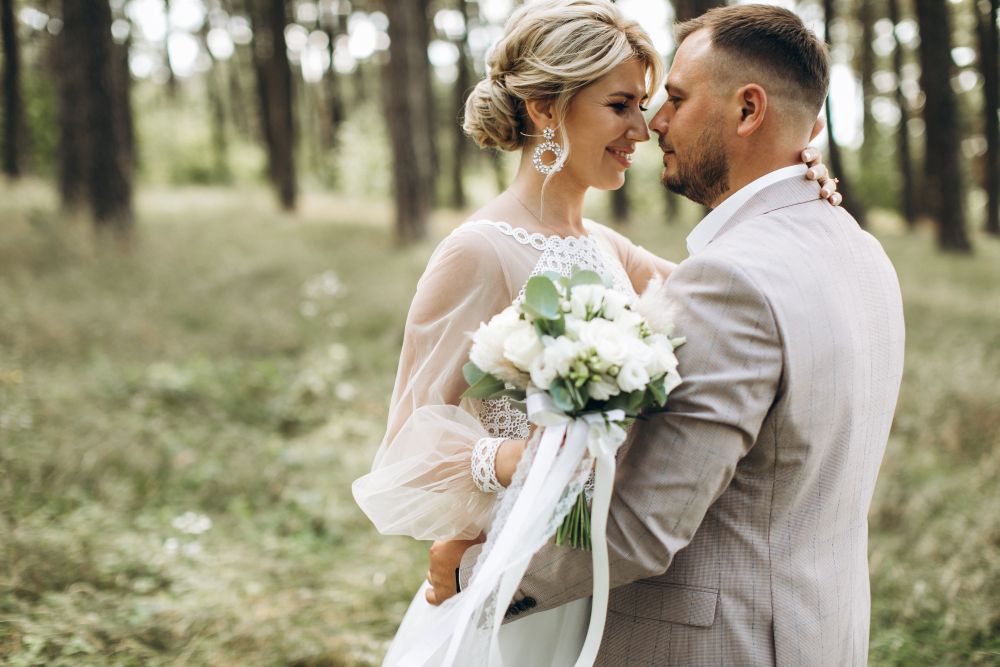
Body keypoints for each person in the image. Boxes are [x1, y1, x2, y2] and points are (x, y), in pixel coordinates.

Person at [353, 1, 840, 665]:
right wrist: (526, 461)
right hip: (519, 578)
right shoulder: (478, 252)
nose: (644, 129)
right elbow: (407, 449)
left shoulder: (608, 248)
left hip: (599, 577)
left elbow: (747, 303)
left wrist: (799, 189)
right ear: (544, 109)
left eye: (643, 105)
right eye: (620, 106)